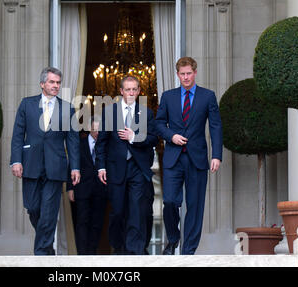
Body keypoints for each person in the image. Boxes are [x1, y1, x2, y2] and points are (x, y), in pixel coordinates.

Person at [155, 57, 223, 255]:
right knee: (169, 201)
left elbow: (216, 126)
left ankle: (188, 252)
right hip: (173, 158)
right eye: (182, 74)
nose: (185, 77)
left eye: (188, 73)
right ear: (178, 75)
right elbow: (158, 124)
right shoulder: (168, 97)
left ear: (195, 73)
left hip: (197, 158)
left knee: (195, 206)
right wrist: (171, 136)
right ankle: (173, 239)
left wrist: (216, 155)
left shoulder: (207, 96)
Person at [10, 66, 80, 255]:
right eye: (52, 82)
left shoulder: (68, 108)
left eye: (58, 82)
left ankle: (41, 254)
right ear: (42, 84)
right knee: (33, 208)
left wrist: (75, 168)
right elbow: (18, 135)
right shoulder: (27, 104)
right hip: (30, 163)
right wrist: (16, 161)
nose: (55, 85)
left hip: (55, 166)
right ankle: (47, 248)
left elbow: (72, 141)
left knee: (49, 211)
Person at [96, 75, 158, 255]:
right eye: (127, 89)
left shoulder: (146, 113)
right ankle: (119, 248)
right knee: (117, 211)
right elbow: (101, 143)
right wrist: (101, 167)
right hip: (115, 168)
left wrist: (134, 137)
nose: (131, 93)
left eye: (134, 89)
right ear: (121, 91)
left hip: (138, 168)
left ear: (139, 91)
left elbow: (154, 138)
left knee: (136, 210)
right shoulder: (109, 112)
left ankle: (134, 252)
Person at [67, 117, 108, 255]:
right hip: (82, 188)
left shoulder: (106, 145)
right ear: (90, 129)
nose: (97, 133)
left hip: (101, 189)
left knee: (97, 223)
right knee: (82, 222)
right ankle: (82, 254)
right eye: (94, 129)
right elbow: (71, 165)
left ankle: (92, 254)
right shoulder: (79, 143)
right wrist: (70, 188)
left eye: (99, 130)